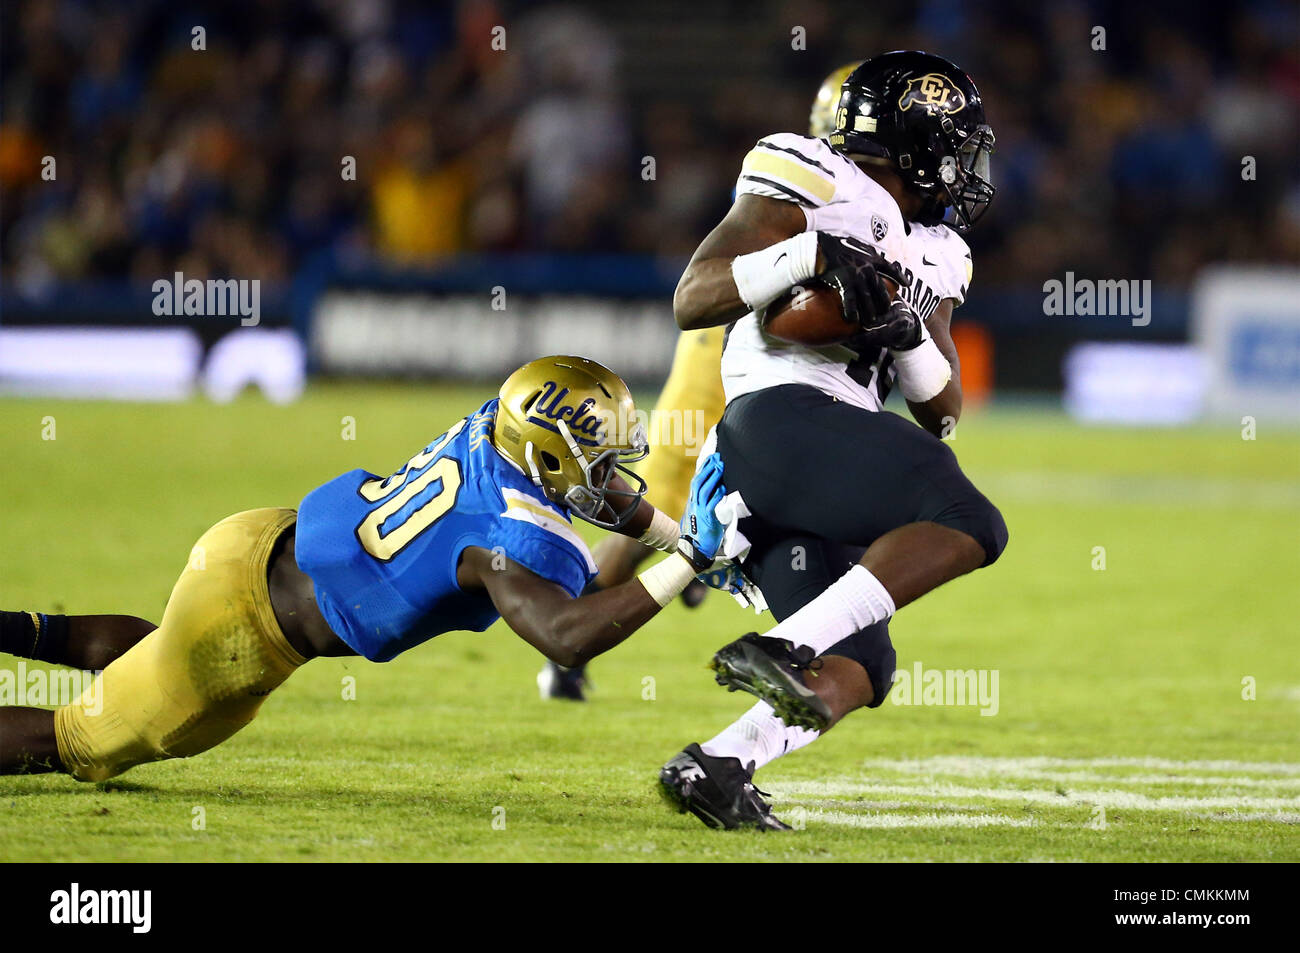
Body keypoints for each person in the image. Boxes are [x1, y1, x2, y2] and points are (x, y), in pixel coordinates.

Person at [0, 356, 730, 783]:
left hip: (252, 542)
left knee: (157, 652)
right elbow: (567, 638)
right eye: (599, 458)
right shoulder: (508, 535)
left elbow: (590, 488)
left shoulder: (496, 424)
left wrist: (676, 533)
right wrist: (690, 558)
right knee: (74, 741)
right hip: (247, 633)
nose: (613, 478)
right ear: (548, 454)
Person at [657, 51, 1008, 830]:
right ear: (916, 138)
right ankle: (781, 645)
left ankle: (720, 764)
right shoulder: (815, 175)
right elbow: (694, 297)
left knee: (860, 662)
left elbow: (942, 409)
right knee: (971, 519)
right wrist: (808, 255)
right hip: (778, 422)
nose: (968, 164)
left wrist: (904, 326)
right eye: (957, 141)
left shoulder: (943, 250)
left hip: (823, 452)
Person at [536, 62, 865, 702]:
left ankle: (758, 602)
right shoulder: (814, 187)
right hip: (726, 360)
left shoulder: (853, 194)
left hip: (774, 372)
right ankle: (566, 649)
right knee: (649, 522)